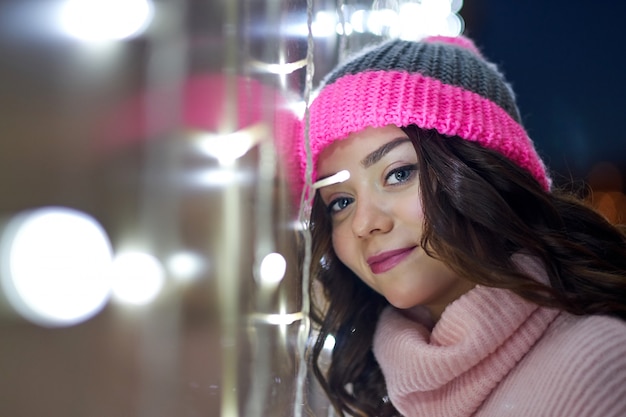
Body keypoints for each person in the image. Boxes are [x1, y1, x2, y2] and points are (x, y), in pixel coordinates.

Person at [292, 35, 626, 416]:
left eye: (399, 173)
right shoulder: (375, 386)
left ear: (481, 172)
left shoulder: (599, 368)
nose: (365, 224)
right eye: (341, 202)